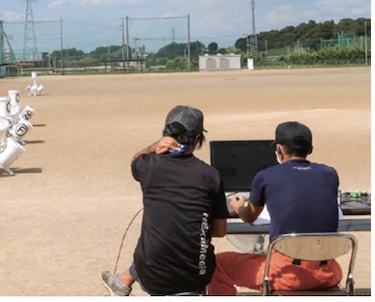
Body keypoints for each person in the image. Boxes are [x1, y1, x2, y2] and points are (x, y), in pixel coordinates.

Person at [101, 105, 228, 296]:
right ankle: (122, 281)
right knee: (174, 238)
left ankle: (123, 281)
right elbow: (219, 231)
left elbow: (136, 159)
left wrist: (153, 147)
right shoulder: (210, 175)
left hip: (152, 274)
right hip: (195, 276)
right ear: (196, 140)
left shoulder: (147, 166)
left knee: (160, 237)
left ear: (165, 135)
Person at [207, 121, 342, 295]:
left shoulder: (266, 177)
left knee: (220, 265)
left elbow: (250, 217)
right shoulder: (330, 174)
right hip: (328, 273)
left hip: (287, 274)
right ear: (310, 149)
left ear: (278, 150)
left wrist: (239, 207)